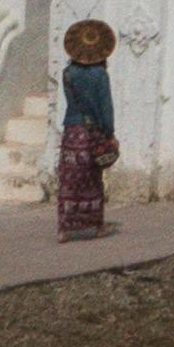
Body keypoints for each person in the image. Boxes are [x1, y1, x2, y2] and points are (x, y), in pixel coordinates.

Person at [52, 18, 119, 241]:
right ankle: (96, 225)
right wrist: (109, 133)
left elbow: (71, 100)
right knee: (92, 179)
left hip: (71, 131)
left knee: (69, 180)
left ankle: (63, 228)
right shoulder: (100, 75)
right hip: (92, 132)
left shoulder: (68, 73)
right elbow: (105, 107)